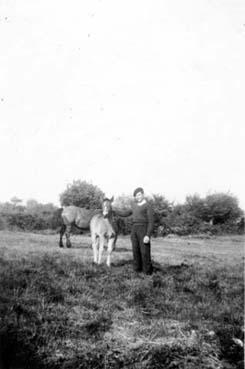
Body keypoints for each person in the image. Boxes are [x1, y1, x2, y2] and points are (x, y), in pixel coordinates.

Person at [116, 187, 154, 275]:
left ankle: (147, 273)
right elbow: (125, 213)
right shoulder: (134, 205)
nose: (138, 197)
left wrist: (148, 235)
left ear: (143, 195)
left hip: (143, 229)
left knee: (144, 252)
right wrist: (114, 210)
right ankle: (137, 271)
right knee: (135, 250)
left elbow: (151, 222)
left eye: (139, 195)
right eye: (136, 196)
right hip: (134, 229)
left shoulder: (148, 206)